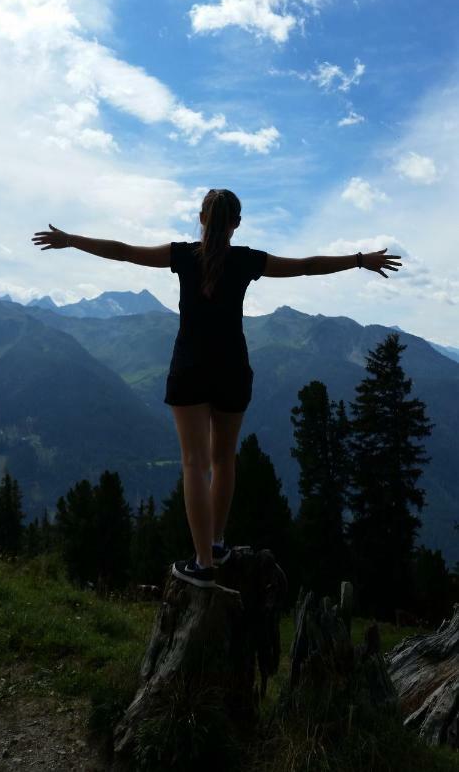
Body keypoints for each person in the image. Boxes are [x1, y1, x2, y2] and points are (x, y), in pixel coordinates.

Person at [32, 188, 402, 589]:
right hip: (233, 371)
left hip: (189, 370)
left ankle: (203, 563)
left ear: (203, 218)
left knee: (194, 462)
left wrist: (71, 240)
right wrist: (360, 260)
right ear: (236, 223)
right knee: (224, 460)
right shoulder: (246, 260)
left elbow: (123, 250)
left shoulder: (182, 256)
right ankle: (218, 544)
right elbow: (307, 267)